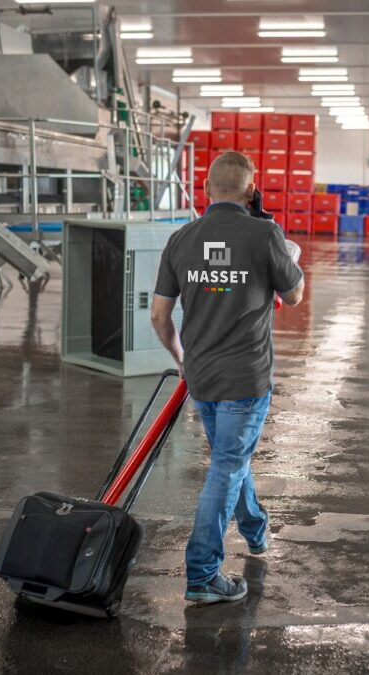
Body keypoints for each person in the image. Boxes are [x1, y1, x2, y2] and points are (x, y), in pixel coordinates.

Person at [150, 151, 304, 604]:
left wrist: (180, 357)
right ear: (252, 191)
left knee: (229, 457)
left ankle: (256, 531)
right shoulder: (265, 234)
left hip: (202, 376)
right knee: (227, 465)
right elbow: (294, 296)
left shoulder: (181, 238)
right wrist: (286, 255)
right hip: (246, 378)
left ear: (206, 190)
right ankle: (201, 573)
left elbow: (159, 315)